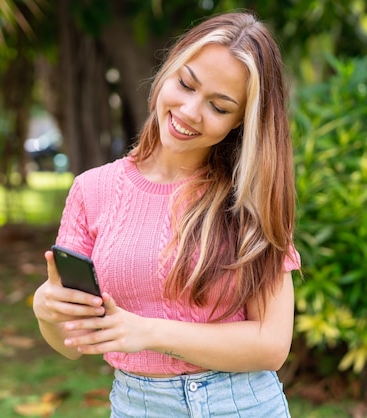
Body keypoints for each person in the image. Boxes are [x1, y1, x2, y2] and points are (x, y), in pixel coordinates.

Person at [33, 11, 300, 417]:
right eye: (186, 84)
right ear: (169, 69)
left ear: (241, 122)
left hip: (240, 406)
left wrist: (149, 332)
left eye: (219, 106)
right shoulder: (93, 190)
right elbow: (71, 344)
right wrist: (46, 309)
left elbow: (272, 345)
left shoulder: (248, 199)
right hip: (136, 405)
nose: (191, 111)